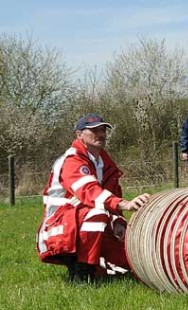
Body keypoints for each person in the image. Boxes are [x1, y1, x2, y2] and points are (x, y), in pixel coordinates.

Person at [37, 114, 150, 283]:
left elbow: (112, 195)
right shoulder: (72, 160)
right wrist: (124, 204)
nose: (101, 134)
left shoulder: (104, 163)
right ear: (79, 135)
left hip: (85, 225)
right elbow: (89, 191)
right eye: (94, 130)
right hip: (61, 228)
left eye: (103, 129)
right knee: (96, 215)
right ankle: (82, 271)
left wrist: (118, 221)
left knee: (133, 262)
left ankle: (99, 265)